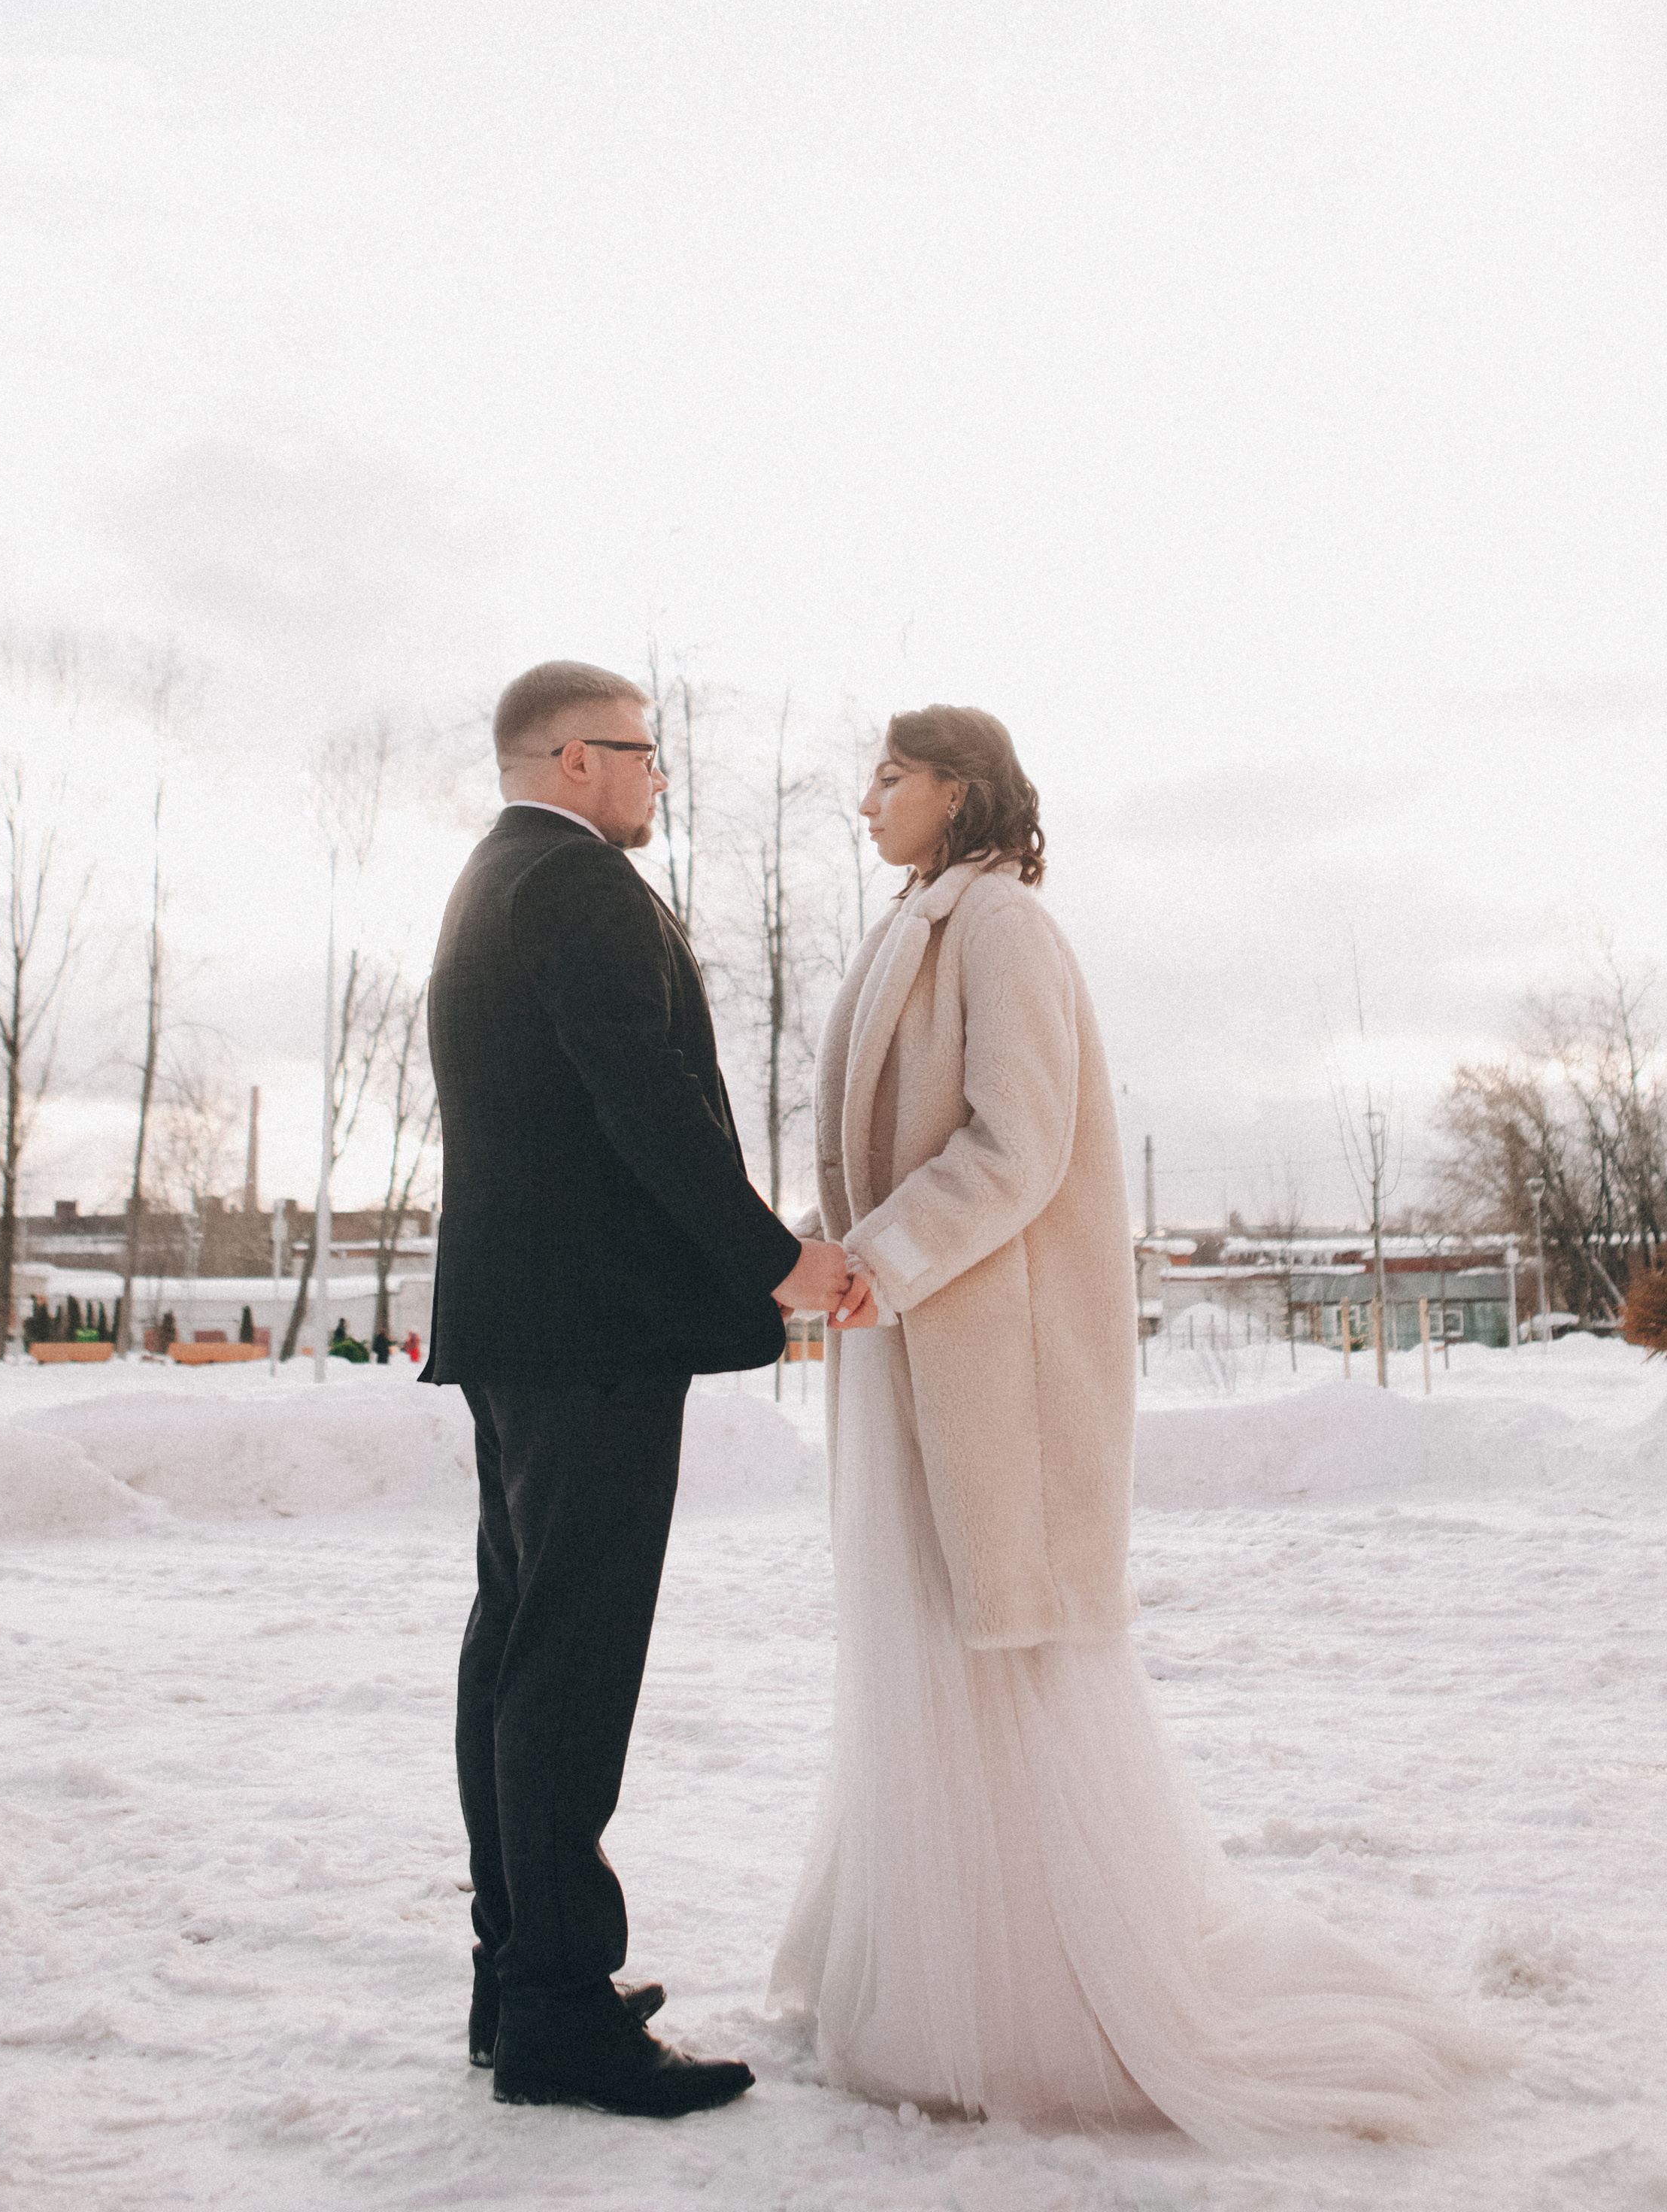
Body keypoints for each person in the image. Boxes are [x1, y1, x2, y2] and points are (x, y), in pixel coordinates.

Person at [771, 705, 1492, 2144]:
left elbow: (1018, 1144)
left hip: (987, 1369)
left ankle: (1037, 1998)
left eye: (892, 775)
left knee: (1002, 1656)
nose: (866, 797)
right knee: (925, 1652)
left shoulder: (1005, 931)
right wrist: (818, 1256)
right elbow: (874, 1169)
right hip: (909, 1348)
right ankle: (935, 1976)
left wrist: (879, 1262)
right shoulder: (912, 920)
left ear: (960, 789)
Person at [423, 659, 871, 2120]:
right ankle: (555, 2008)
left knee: (515, 1644)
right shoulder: (575, 889)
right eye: (640, 754)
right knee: (566, 1664)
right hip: (592, 1334)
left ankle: (521, 1976)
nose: (656, 778)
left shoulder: (487, 884)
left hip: (523, 1331)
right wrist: (774, 1263)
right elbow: (641, 1100)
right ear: (569, 762)